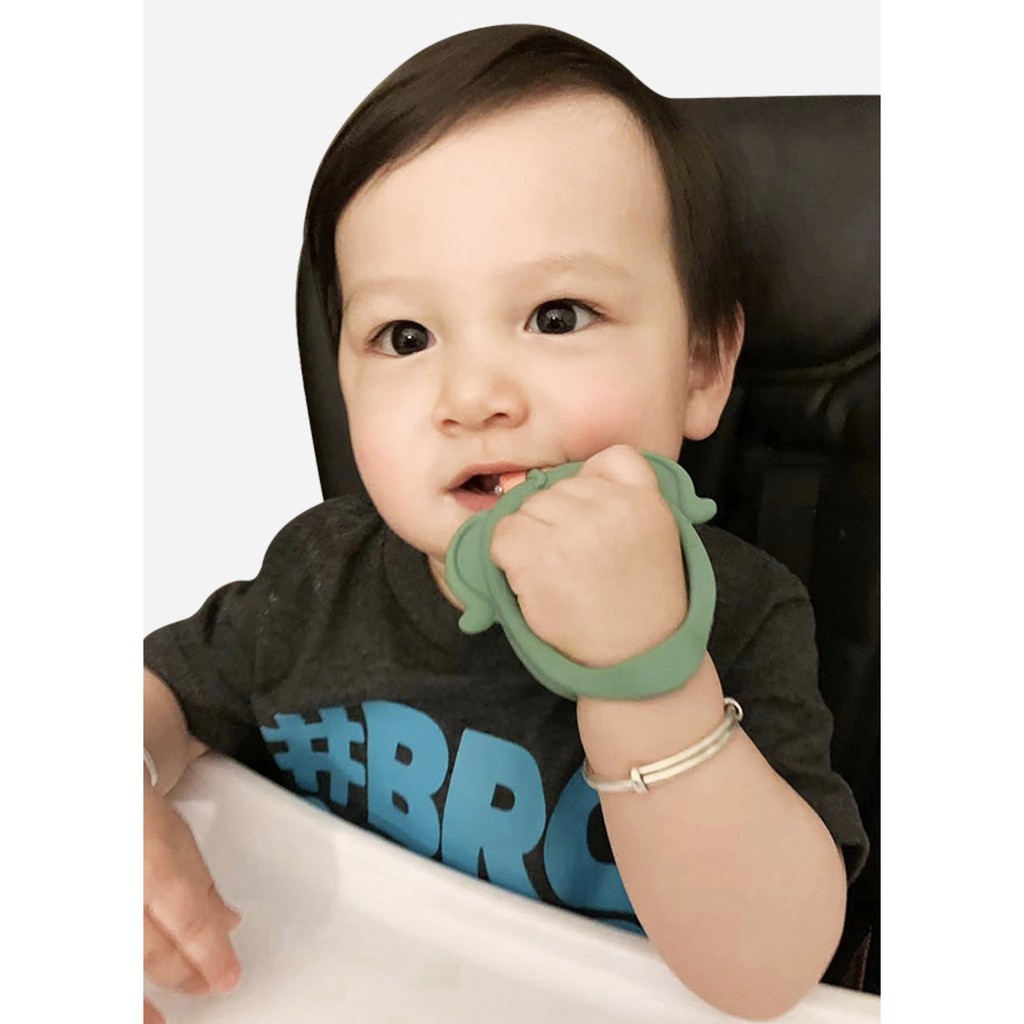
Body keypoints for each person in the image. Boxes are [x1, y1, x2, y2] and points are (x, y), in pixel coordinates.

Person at [143, 24, 868, 1023]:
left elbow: (769, 972)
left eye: (557, 316)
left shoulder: (741, 614)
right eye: (405, 336)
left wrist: (646, 674)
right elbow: (161, 698)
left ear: (702, 366)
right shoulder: (317, 572)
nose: (473, 395)